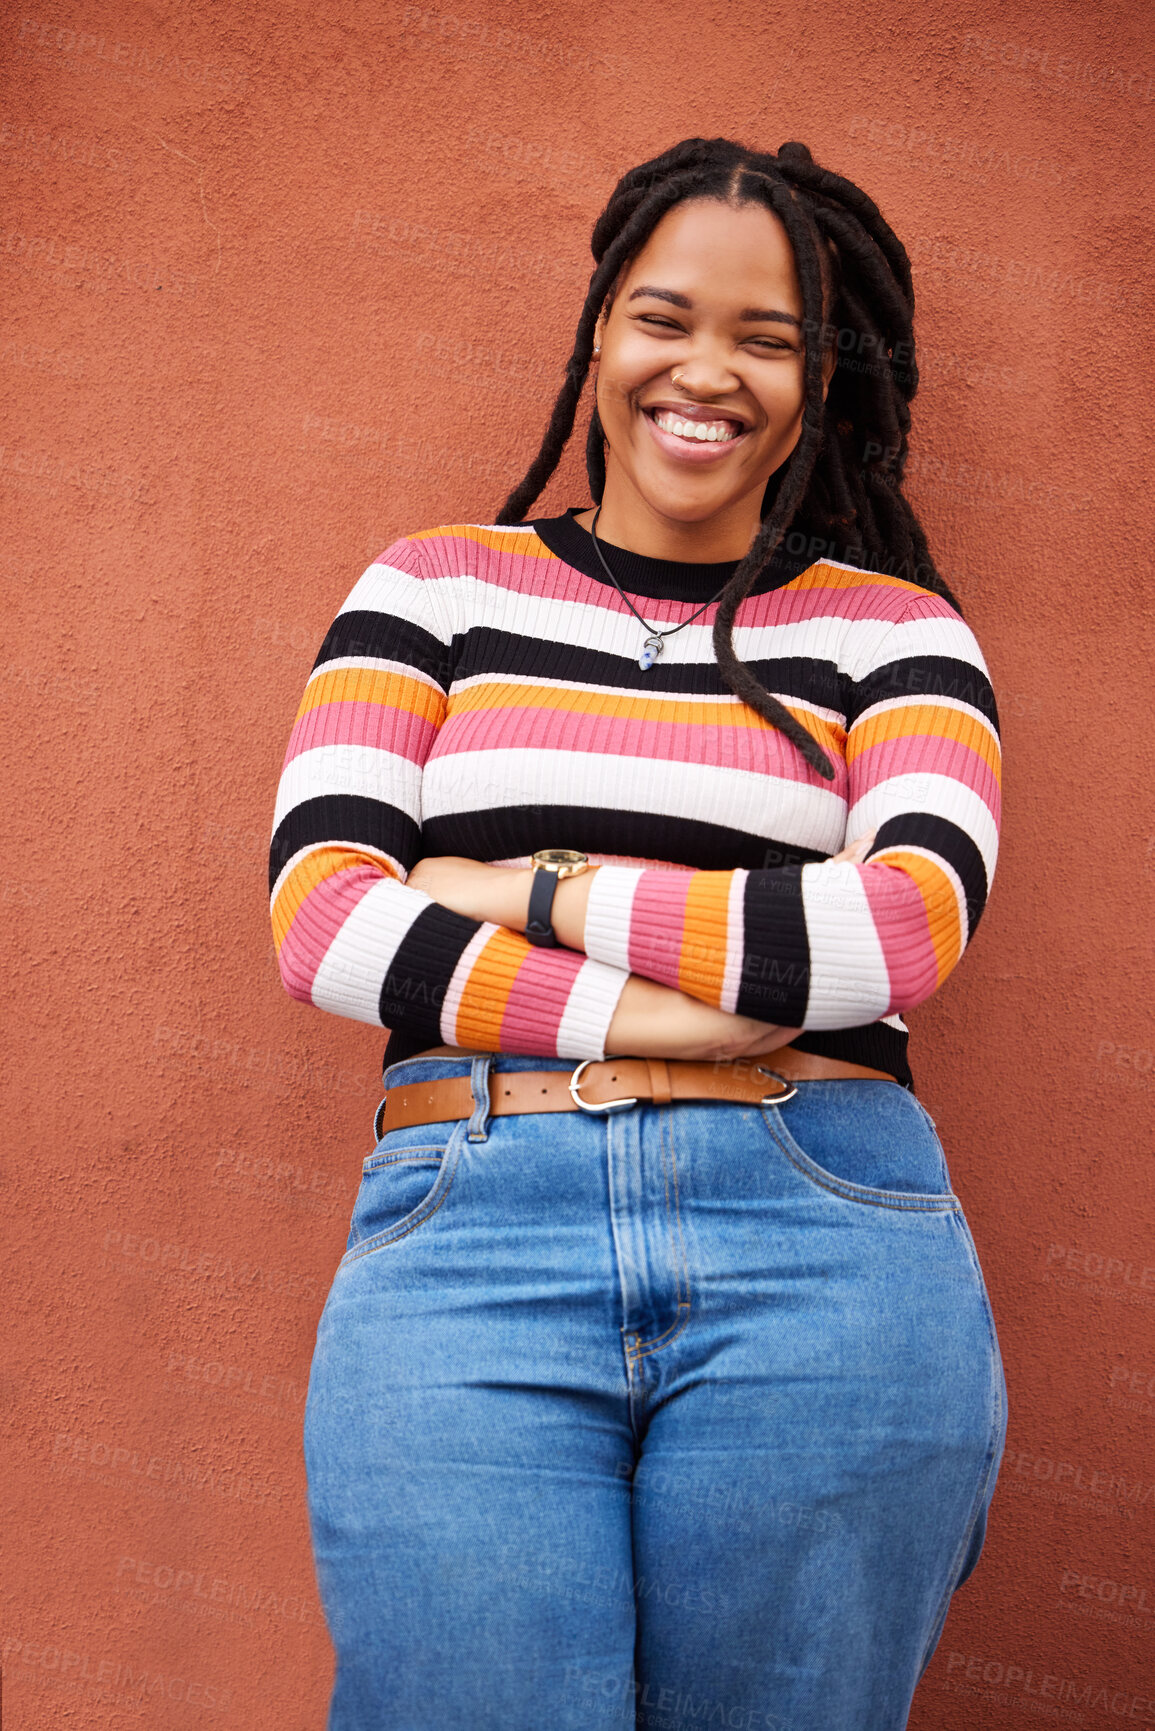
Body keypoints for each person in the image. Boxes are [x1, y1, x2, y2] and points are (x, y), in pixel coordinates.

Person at [269, 136, 1006, 1731]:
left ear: (829, 379)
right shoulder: (433, 591)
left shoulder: (896, 632)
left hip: (823, 1233)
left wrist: (521, 889)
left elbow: (896, 932)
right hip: (471, 1226)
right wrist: (664, 1020)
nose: (707, 373)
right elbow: (324, 920)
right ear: (600, 331)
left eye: (770, 338)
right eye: (665, 317)